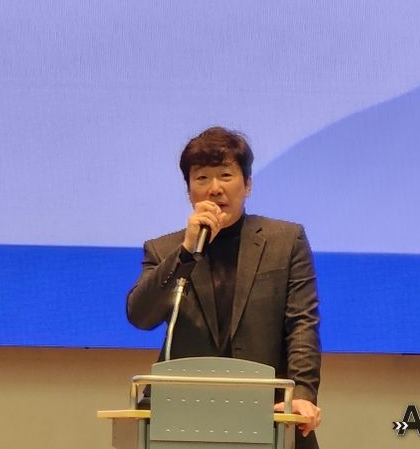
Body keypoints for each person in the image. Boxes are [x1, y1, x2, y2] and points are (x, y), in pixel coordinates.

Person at [126, 126, 322, 448]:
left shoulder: (285, 241)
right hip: (185, 415)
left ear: (248, 184)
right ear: (189, 190)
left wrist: (301, 393)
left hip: (271, 412)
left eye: (225, 176)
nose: (214, 189)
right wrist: (185, 253)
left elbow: (302, 323)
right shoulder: (164, 251)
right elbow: (140, 316)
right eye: (202, 178)